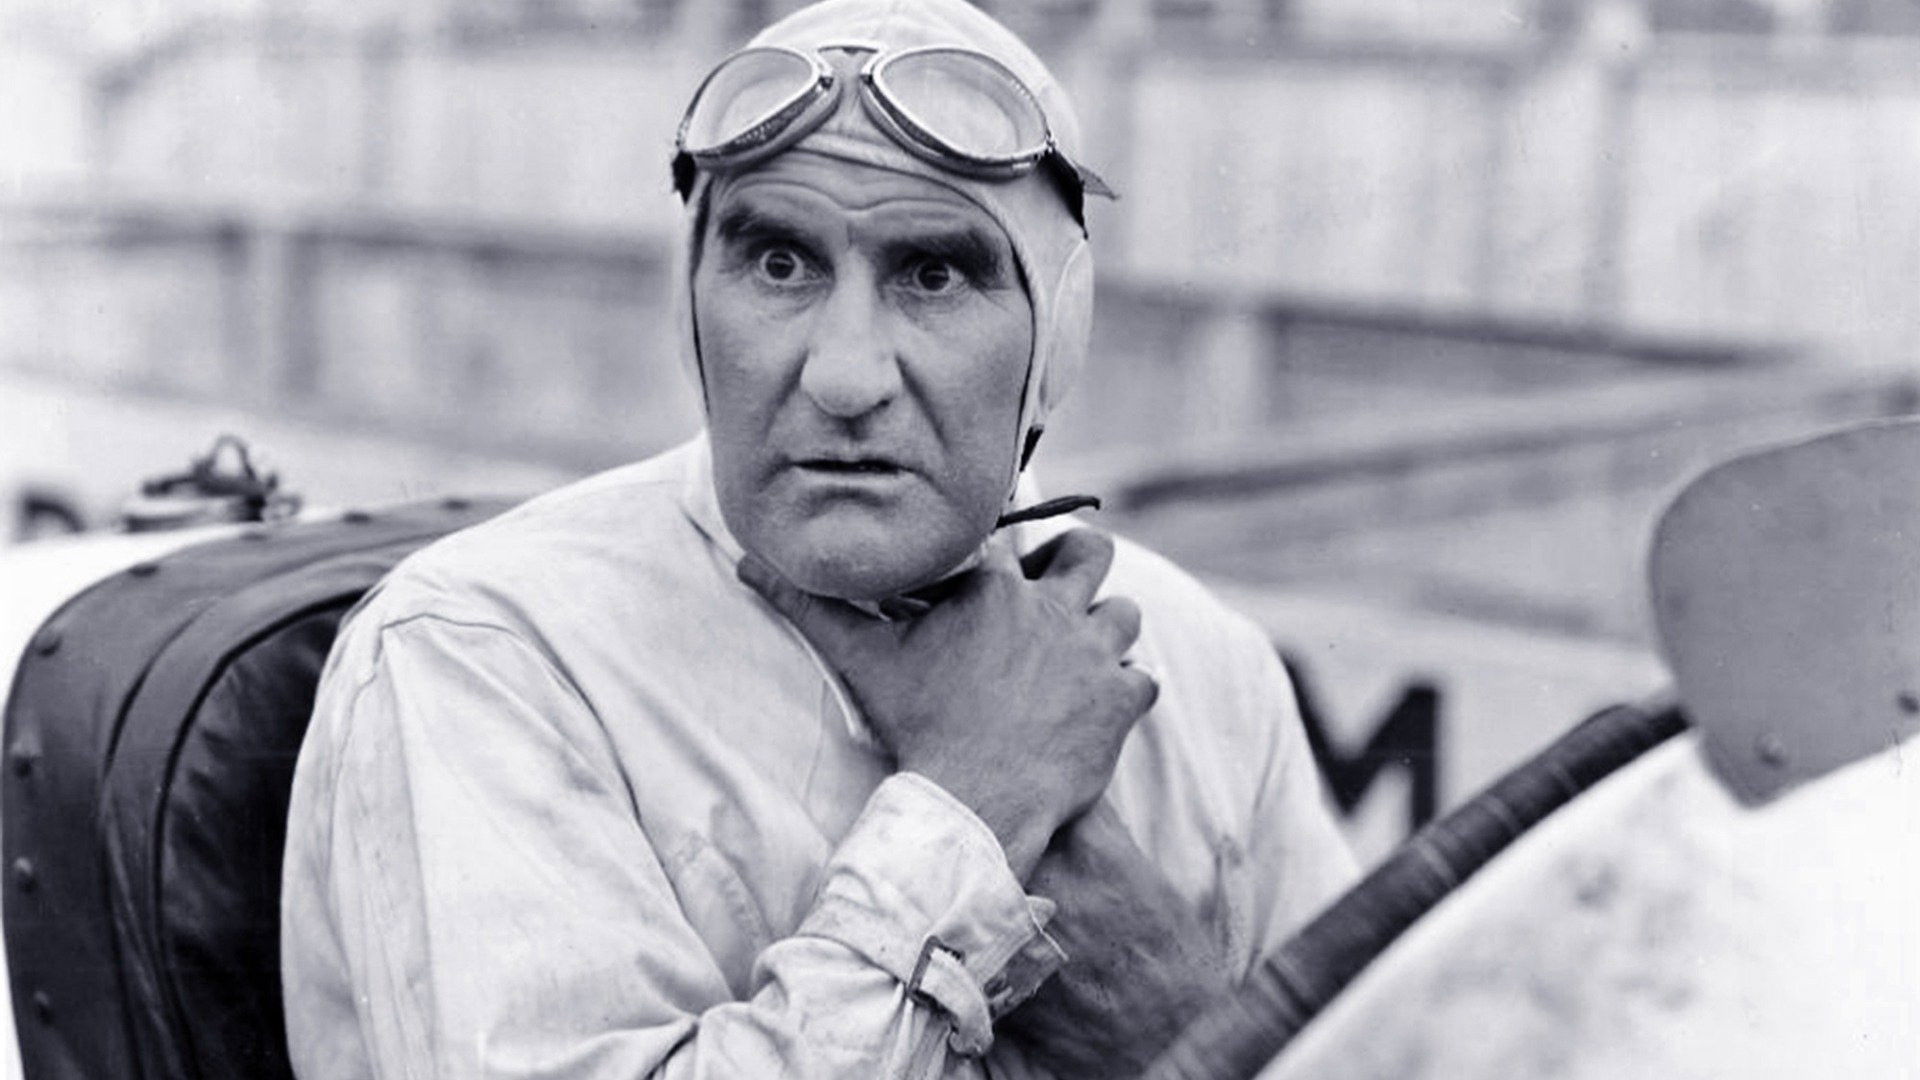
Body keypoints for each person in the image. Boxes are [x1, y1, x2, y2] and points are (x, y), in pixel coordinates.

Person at [279, 1, 1357, 1076]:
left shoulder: (1205, 666)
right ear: (691, 310)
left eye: (932, 274)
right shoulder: (487, 654)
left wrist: (1175, 1022)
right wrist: (975, 810)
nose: (845, 377)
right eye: (780, 265)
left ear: (1054, 336)